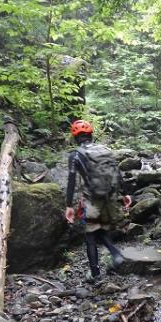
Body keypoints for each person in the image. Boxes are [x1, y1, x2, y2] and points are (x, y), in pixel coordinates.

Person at [64, 120, 131, 282]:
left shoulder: (75, 155)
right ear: (91, 135)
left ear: (75, 138)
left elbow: (71, 181)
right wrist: (126, 194)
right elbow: (117, 173)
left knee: (90, 235)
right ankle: (115, 254)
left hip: (92, 199)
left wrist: (69, 206)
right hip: (109, 197)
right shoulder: (105, 150)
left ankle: (97, 275)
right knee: (102, 229)